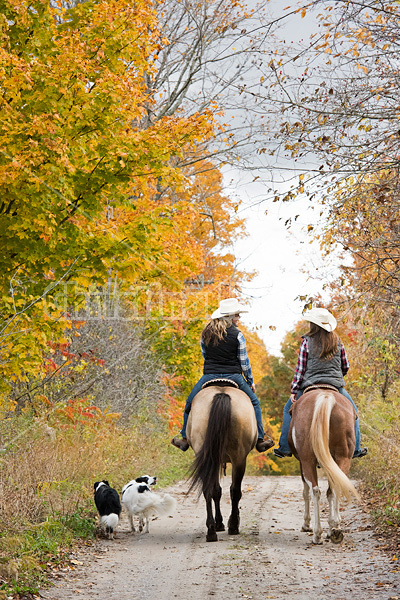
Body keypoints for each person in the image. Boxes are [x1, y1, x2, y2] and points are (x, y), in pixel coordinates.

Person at [171, 298, 274, 453]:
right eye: (237, 315)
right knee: (255, 403)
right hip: (234, 376)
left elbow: (205, 355)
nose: (239, 318)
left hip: (209, 375)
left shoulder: (206, 333)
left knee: (189, 403)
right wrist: (250, 381)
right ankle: (260, 439)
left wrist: (214, 366)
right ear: (230, 317)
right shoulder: (238, 335)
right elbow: (244, 362)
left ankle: (185, 438)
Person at [273, 307, 368, 459]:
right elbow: (345, 366)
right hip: (335, 386)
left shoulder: (306, 342)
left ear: (313, 325)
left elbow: (300, 369)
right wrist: (336, 377)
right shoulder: (338, 341)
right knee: (353, 411)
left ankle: (284, 447)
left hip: (309, 386)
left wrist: (294, 389)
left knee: (287, 410)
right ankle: (356, 448)